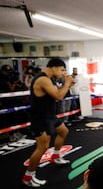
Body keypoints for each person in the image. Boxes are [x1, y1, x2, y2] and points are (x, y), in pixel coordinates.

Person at [22, 58, 75, 187]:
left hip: (50, 116)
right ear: (54, 67)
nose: (63, 73)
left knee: (63, 131)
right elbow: (59, 96)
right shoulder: (43, 79)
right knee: (42, 147)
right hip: (41, 118)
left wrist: (67, 84)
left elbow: (58, 93)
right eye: (62, 70)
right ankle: (28, 177)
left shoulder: (50, 79)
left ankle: (55, 157)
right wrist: (67, 83)